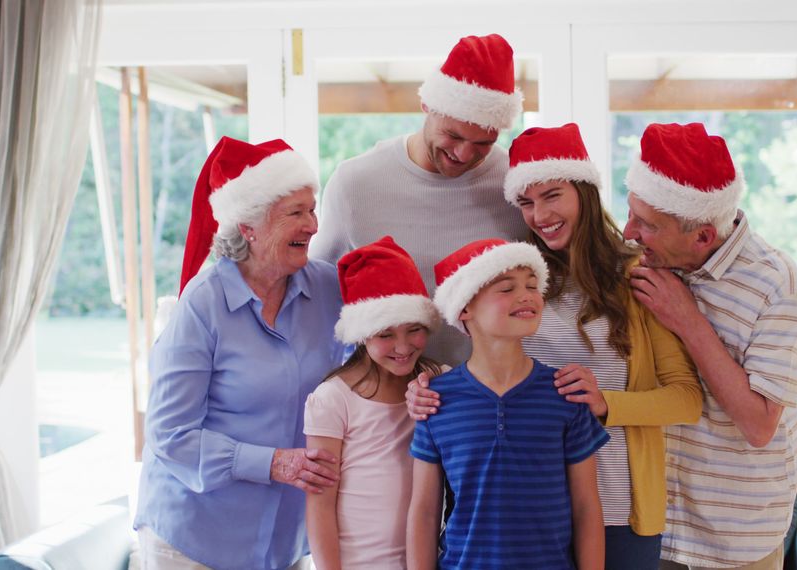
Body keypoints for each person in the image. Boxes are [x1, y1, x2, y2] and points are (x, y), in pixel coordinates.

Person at [407, 123, 703, 568]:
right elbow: (490, 367)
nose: (539, 214)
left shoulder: (635, 276)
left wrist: (606, 404)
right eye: (526, 202)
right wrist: (429, 389)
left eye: (552, 195)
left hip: (619, 503)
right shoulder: (520, 279)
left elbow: (686, 399)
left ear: (582, 190)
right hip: (530, 509)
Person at [134, 137, 345, 570]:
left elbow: (374, 361)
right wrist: (273, 463)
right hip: (195, 536)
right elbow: (170, 434)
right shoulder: (203, 303)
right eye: (296, 213)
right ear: (248, 227)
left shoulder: (327, 288)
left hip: (285, 539)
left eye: (312, 208)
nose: (314, 225)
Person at [622, 123, 797, 570]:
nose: (628, 232)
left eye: (646, 224)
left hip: (734, 540)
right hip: (652, 529)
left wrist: (688, 319)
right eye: (631, 213)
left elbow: (759, 424)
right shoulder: (646, 260)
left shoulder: (775, 282)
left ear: (703, 236)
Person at [311, 33, 529, 366]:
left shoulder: (515, 183)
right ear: (427, 105)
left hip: (489, 396)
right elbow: (318, 295)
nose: (463, 153)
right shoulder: (356, 183)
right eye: (453, 135)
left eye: (483, 143)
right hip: (388, 395)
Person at [407, 239, 609, 570]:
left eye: (532, 285)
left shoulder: (565, 393)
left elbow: (586, 506)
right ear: (465, 308)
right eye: (506, 288)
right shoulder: (435, 401)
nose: (527, 295)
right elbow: (425, 511)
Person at [303, 236, 444, 570]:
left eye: (414, 330)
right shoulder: (333, 398)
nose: (403, 346)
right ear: (363, 334)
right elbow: (319, 505)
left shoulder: (439, 382)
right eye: (385, 334)